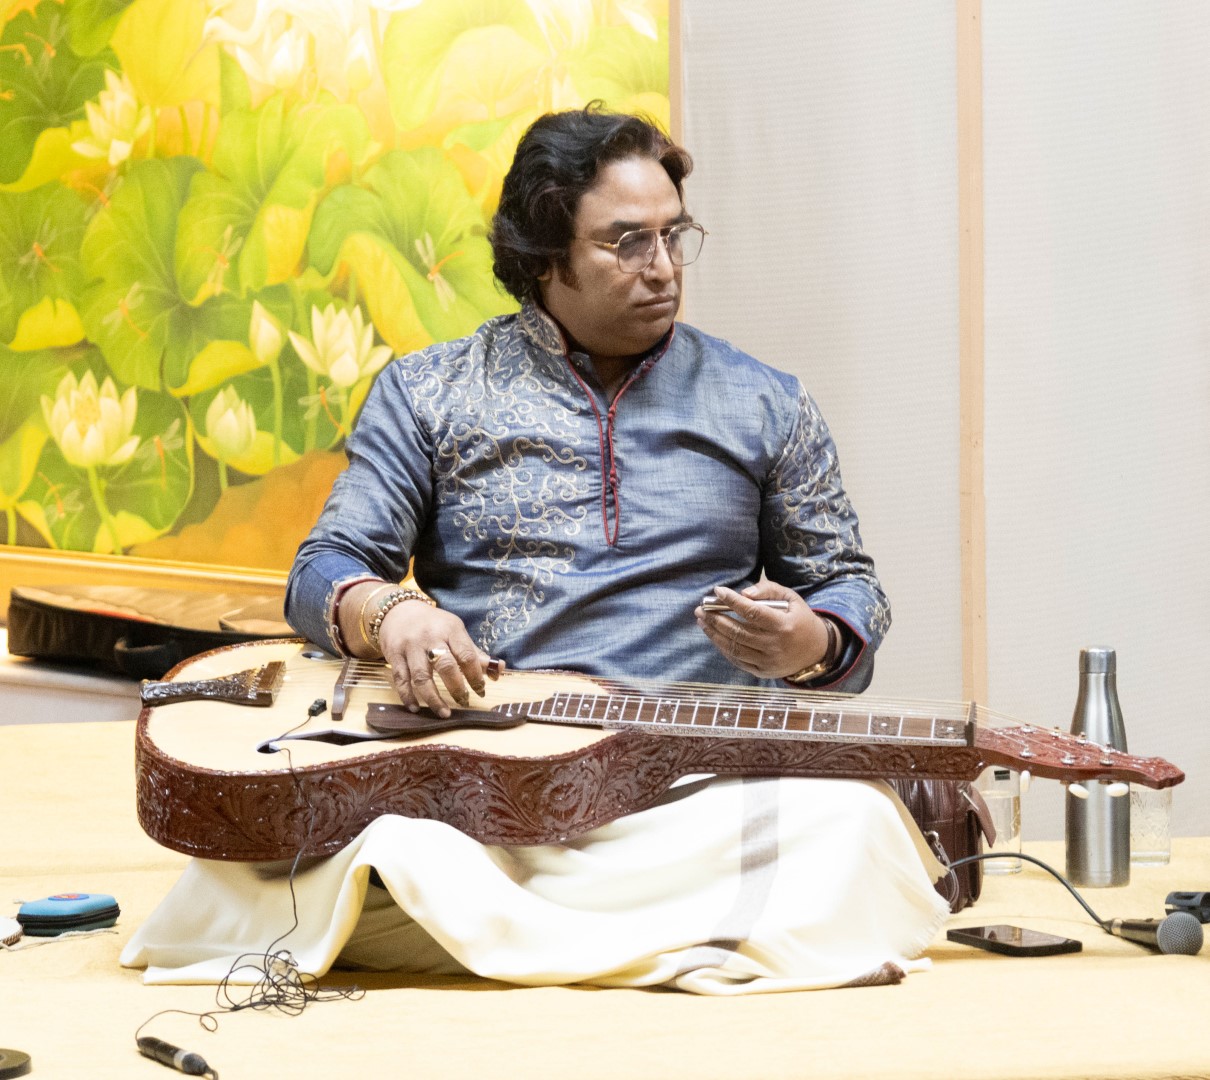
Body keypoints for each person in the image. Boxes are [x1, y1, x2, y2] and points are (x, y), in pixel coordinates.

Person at [123, 106, 949, 995]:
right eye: (627, 242)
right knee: (365, 847)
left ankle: (519, 934)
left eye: (674, 236)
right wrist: (393, 613)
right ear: (544, 253)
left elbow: (846, 583)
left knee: (855, 823)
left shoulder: (764, 402)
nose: (663, 267)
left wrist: (813, 641)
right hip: (490, 788)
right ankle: (659, 935)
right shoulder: (431, 393)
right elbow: (323, 569)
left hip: (691, 787)